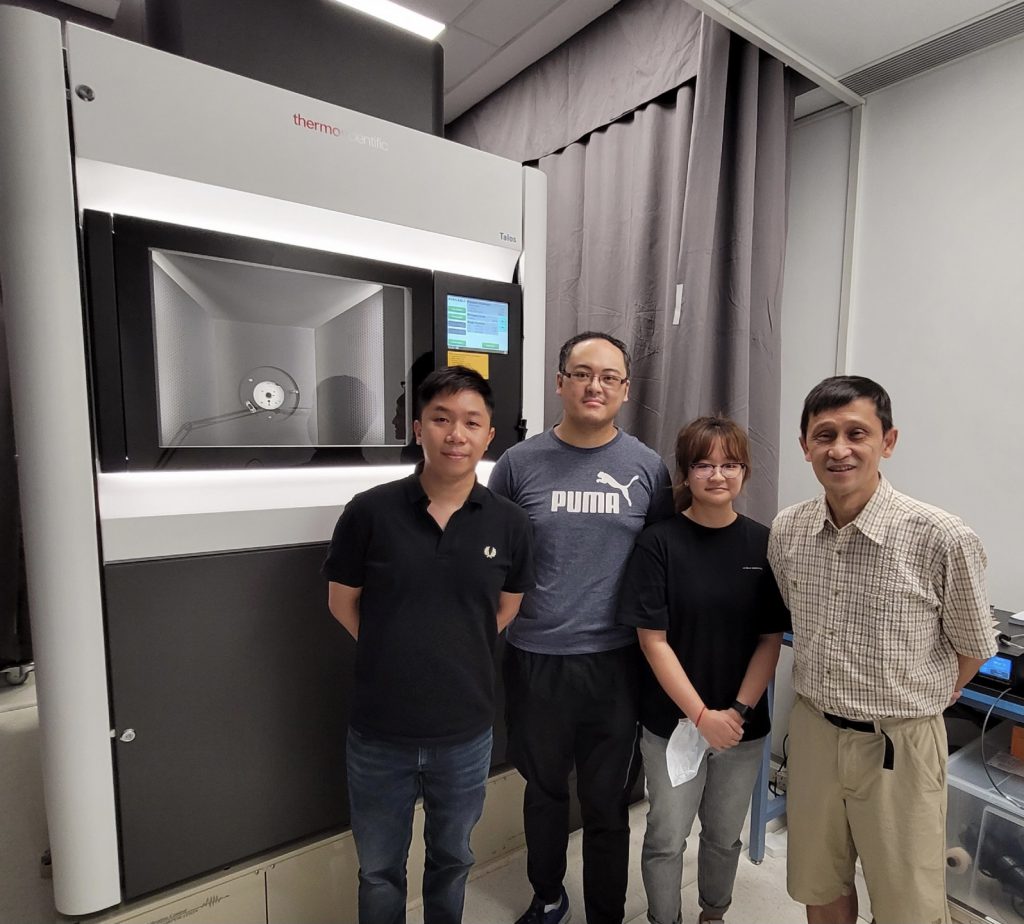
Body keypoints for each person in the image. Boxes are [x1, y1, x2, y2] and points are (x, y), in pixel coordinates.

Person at [767, 375, 996, 924]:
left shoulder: (941, 536)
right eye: (824, 435)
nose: (839, 449)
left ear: (887, 441)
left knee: (907, 905)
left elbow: (974, 647)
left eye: (857, 433)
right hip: (817, 732)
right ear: (805, 447)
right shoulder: (788, 530)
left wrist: (925, 694)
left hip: (901, 745)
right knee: (818, 883)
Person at [322, 366, 535, 924]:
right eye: (441, 419)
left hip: (464, 732)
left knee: (453, 858)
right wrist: (395, 647)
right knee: (378, 870)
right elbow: (341, 601)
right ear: (419, 428)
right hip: (378, 733)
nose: (455, 434)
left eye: (471, 422)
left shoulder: (510, 524)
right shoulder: (370, 511)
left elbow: (507, 607)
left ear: (490, 436)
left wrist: (450, 646)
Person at [488, 331, 674, 924]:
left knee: (606, 802)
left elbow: (663, 567)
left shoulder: (647, 468)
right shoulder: (518, 465)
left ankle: (605, 912)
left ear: (625, 389)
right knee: (542, 792)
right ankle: (547, 896)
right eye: (582, 373)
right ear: (561, 381)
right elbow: (495, 560)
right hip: (534, 658)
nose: (596, 386)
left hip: (615, 663)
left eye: (610, 376)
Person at [617, 416, 789, 924]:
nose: (718, 475)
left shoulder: (765, 543)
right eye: (704, 464)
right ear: (686, 473)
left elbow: (769, 639)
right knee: (667, 836)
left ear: (745, 472)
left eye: (730, 464)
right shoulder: (659, 543)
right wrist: (700, 715)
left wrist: (735, 712)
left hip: (743, 727)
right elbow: (652, 641)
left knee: (723, 835)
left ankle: (713, 914)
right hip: (672, 724)